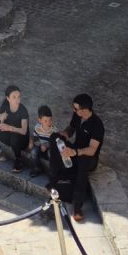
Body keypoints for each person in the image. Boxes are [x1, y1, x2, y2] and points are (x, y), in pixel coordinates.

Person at [50, 92, 105, 221]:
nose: (73, 110)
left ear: (85, 110)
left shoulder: (97, 125)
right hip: (74, 151)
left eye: (76, 108)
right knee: (54, 138)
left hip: (89, 158)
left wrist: (75, 152)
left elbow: (91, 150)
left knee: (84, 161)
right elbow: (71, 128)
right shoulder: (78, 115)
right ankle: (54, 178)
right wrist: (64, 135)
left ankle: (77, 207)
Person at [0, 84, 29, 170]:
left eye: (19, 97)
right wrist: (0, 119)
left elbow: (24, 131)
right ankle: (0, 154)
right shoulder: (5, 104)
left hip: (22, 140)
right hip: (9, 135)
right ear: (8, 98)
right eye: (14, 97)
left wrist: (9, 127)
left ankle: (18, 159)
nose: (17, 99)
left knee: (15, 137)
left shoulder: (23, 110)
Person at [29, 105, 55, 176]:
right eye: (45, 121)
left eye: (50, 120)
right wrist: (31, 142)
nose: (48, 123)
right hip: (40, 148)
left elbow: (55, 142)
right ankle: (37, 168)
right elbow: (34, 136)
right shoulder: (37, 127)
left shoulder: (53, 130)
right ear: (40, 120)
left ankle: (52, 171)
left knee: (51, 154)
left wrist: (46, 145)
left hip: (49, 150)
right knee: (33, 152)